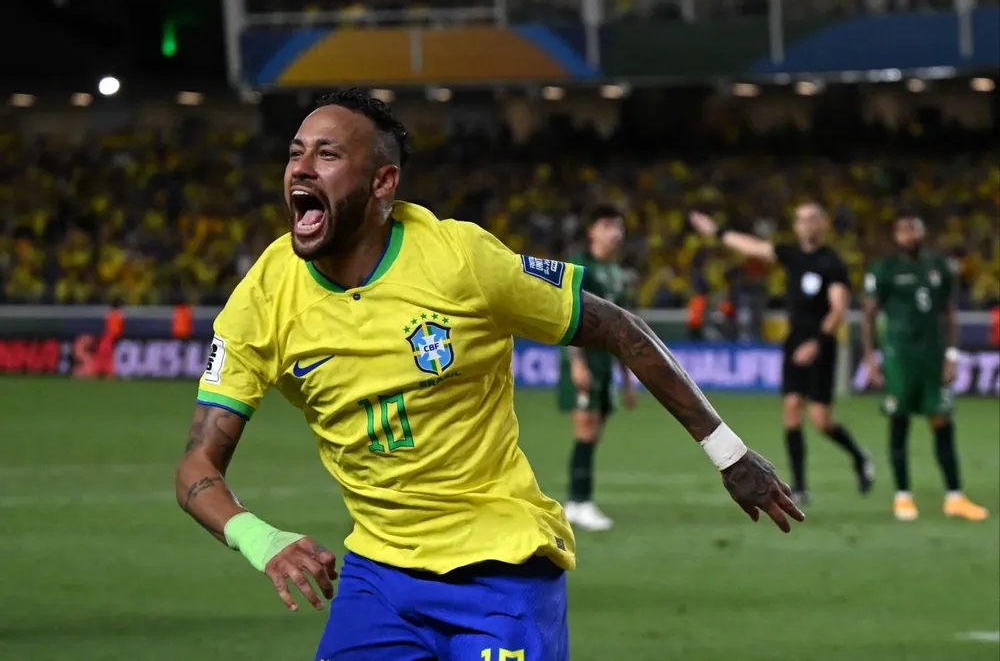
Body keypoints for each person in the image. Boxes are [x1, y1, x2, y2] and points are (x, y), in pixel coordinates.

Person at [176, 89, 804, 661]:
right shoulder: (264, 296)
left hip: (500, 569)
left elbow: (618, 327)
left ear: (382, 182)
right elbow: (196, 469)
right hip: (380, 578)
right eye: (295, 153)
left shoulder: (460, 261)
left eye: (328, 154)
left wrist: (727, 451)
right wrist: (263, 541)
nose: (301, 168)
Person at [690, 204, 874, 504]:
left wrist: (816, 343)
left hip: (821, 344)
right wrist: (717, 232)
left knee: (821, 420)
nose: (805, 224)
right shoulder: (792, 254)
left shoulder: (832, 263)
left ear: (823, 224)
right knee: (790, 409)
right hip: (794, 340)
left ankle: (859, 457)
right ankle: (800, 487)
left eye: (812, 219)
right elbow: (753, 247)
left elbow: (838, 308)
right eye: (800, 219)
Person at [861, 214, 989, 522]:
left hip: (933, 356)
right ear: (895, 236)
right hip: (899, 356)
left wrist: (953, 355)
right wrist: (870, 359)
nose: (909, 235)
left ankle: (955, 497)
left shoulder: (941, 267)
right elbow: (867, 315)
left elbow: (949, 312)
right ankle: (902, 497)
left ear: (922, 231)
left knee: (943, 421)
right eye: (903, 230)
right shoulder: (884, 269)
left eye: (914, 228)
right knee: (899, 420)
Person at [558, 205, 636, 531]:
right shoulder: (579, 266)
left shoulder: (617, 273)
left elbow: (624, 328)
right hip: (586, 360)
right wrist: (577, 364)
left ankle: (578, 502)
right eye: (606, 225)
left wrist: (628, 378)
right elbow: (564, 314)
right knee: (585, 430)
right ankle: (579, 502)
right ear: (592, 230)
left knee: (595, 434)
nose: (614, 232)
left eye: (617, 226)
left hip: (606, 364)